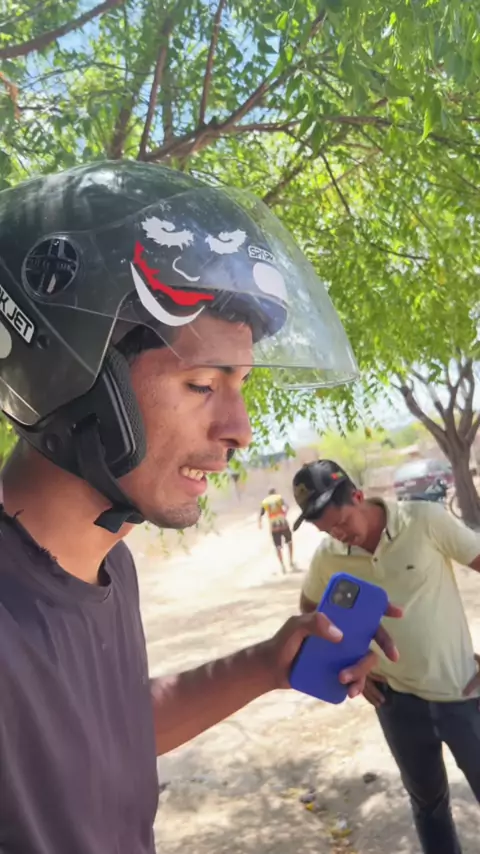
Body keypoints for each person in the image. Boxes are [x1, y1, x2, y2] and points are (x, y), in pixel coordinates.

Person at [0, 162, 400, 854]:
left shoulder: (109, 568)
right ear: (70, 375)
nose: (240, 430)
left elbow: (103, 734)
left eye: (240, 385)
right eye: (202, 384)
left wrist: (268, 663)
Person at [294, 458, 480, 854]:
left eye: (341, 522)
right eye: (326, 530)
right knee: (429, 806)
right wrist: (349, 663)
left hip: (462, 692)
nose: (339, 535)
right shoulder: (330, 557)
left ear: (359, 496)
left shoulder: (424, 521)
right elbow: (309, 613)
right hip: (396, 704)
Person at [259, 487, 295, 572]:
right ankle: (291, 561)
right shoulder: (279, 498)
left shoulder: (265, 501)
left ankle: (282, 565)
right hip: (283, 523)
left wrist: (259, 523)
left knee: (278, 546)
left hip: (274, 526)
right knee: (289, 542)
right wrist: (284, 513)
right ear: (275, 492)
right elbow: (287, 506)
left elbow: (261, 514)